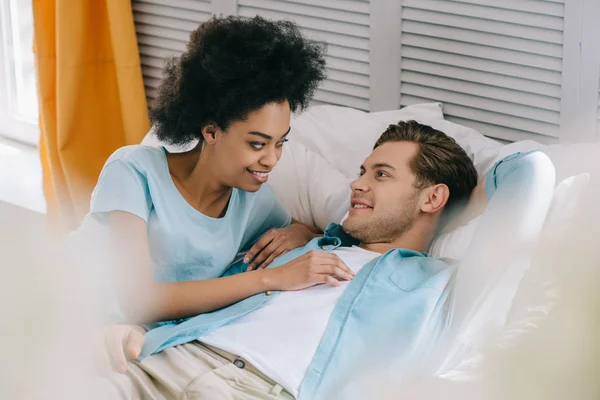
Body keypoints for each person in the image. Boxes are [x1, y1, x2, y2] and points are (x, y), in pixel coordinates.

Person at [99, 121, 555, 400]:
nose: (357, 185)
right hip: (163, 361)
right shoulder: (301, 247)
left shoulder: (443, 290)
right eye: (360, 171)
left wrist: (464, 205)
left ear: (433, 197)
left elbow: (531, 170)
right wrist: (140, 330)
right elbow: (207, 293)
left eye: (381, 174)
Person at [76, 15, 367, 331]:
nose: (272, 160)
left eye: (281, 143)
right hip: (57, 311)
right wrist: (270, 278)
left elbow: (309, 231)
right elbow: (137, 300)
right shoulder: (133, 171)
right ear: (211, 131)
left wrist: (296, 234)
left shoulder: (254, 201)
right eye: (258, 144)